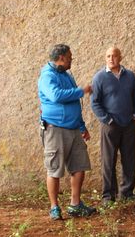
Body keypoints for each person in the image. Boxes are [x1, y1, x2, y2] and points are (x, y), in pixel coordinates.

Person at [38, 44, 96, 220]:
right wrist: (81, 91)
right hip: (55, 129)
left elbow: (73, 105)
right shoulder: (47, 76)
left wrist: (81, 126)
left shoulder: (67, 75)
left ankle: (75, 204)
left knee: (79, 167)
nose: (72, 59)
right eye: (70, 56)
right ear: (62, 57)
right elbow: (57, 96)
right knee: (54, 169)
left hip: (73, 128)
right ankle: (54, 207)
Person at [91, 47, 135, 205]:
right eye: (108, 56)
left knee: (129, 159)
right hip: (110, 126)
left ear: (120, 57)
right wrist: (107, 120)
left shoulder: (130, 76)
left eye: (114, 56)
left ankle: (127, 192)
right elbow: (95, 102)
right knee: (109, 160)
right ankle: (108, 196)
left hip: (128, 124)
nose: (111, 59)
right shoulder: (99, 77)